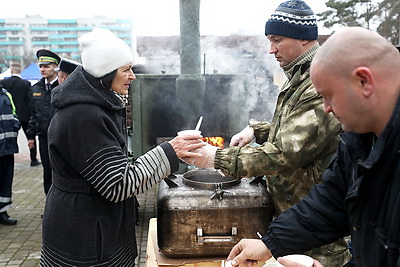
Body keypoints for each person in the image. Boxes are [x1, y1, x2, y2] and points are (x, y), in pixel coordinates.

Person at [186, 1, 349, 265]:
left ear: (304, 39)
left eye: (277, 40)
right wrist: (258, 131)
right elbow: (300, 131)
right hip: (293, 220)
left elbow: (285, 153)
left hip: (315, 236)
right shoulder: (299, 75)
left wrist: (217, 158)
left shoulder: (317, 82)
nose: (271, 49)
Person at [226, 27, 400, 267]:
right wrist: (270, 243)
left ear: (364, 81)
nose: (326, 108)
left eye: (328, 96)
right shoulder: (358, 138)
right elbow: (331, 202)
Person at [39, 28, 205, 266]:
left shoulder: (97, 105)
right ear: (105, 73)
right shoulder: (85, 116)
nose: (133, 76)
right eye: (126, 69)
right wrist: (170, 151)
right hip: (85, 240)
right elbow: (117, 185)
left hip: (93, 229)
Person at [26, 49, 60, 195]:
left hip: (61, 137)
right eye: (41, 66)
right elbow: (33, 114)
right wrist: (31, 135)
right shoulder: (35, 88)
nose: (43, 69)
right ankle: (49, 207)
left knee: (60, 172)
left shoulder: (62, 87)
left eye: (47, 66)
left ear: (56, 67)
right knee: (47, 172)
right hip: (44, 138)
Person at [1, 63, 40, 167]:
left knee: (8, 137)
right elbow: (30, 101)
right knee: (30, 138)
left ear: (11, 70)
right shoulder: (25, 83)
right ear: (20, 71)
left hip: (9, 115)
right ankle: (33, 159)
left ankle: (8, 159)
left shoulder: (4, 82)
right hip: (24, 115)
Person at [0, 84, 21, 225]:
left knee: (5, 181)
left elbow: (13, 112)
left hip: (7, 147)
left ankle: (3, 212)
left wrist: (15, 123)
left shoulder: (6, 94)